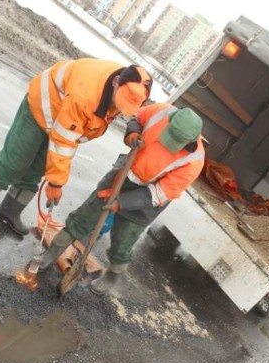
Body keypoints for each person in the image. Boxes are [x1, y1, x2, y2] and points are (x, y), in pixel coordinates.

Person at [0, 58, 152, 235]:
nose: (119, 107)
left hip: (64, 116)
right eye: (120, 101)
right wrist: (56, 183)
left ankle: (9, 210)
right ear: (116, 81)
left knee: (37, 169)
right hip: (42, 107)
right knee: (15, 161)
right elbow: (63, 141)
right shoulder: (85, 95)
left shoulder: (130, 87)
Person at [39, 103, 205, 294]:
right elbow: (137, 117)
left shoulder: (193, 161)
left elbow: (159, 193)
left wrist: (122, 202)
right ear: (171, 121)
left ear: (190, 141)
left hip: (146, 200)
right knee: (83, 216)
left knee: (122, 242)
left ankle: (112, 276)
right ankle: (50, 254)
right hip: (123, 174)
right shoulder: (163, 112)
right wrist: (132, 133)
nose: (169, 143)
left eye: (176, 142)